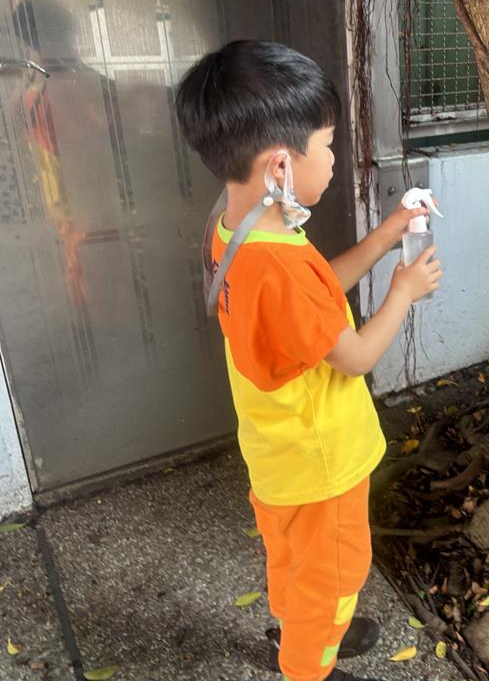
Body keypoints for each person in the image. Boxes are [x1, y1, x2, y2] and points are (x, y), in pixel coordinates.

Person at [175, 40, 441, 681]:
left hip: (277, 453)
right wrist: (403, 293)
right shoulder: (283, 265)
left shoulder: (234, 231)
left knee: (292, 561)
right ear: (279, 167)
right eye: (326, 146)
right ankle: (307, 663)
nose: (333, 159)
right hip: (322, 467)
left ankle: (300, 631)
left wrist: (386, 236)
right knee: (334, 580)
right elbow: (354, 356)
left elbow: (319, 298)